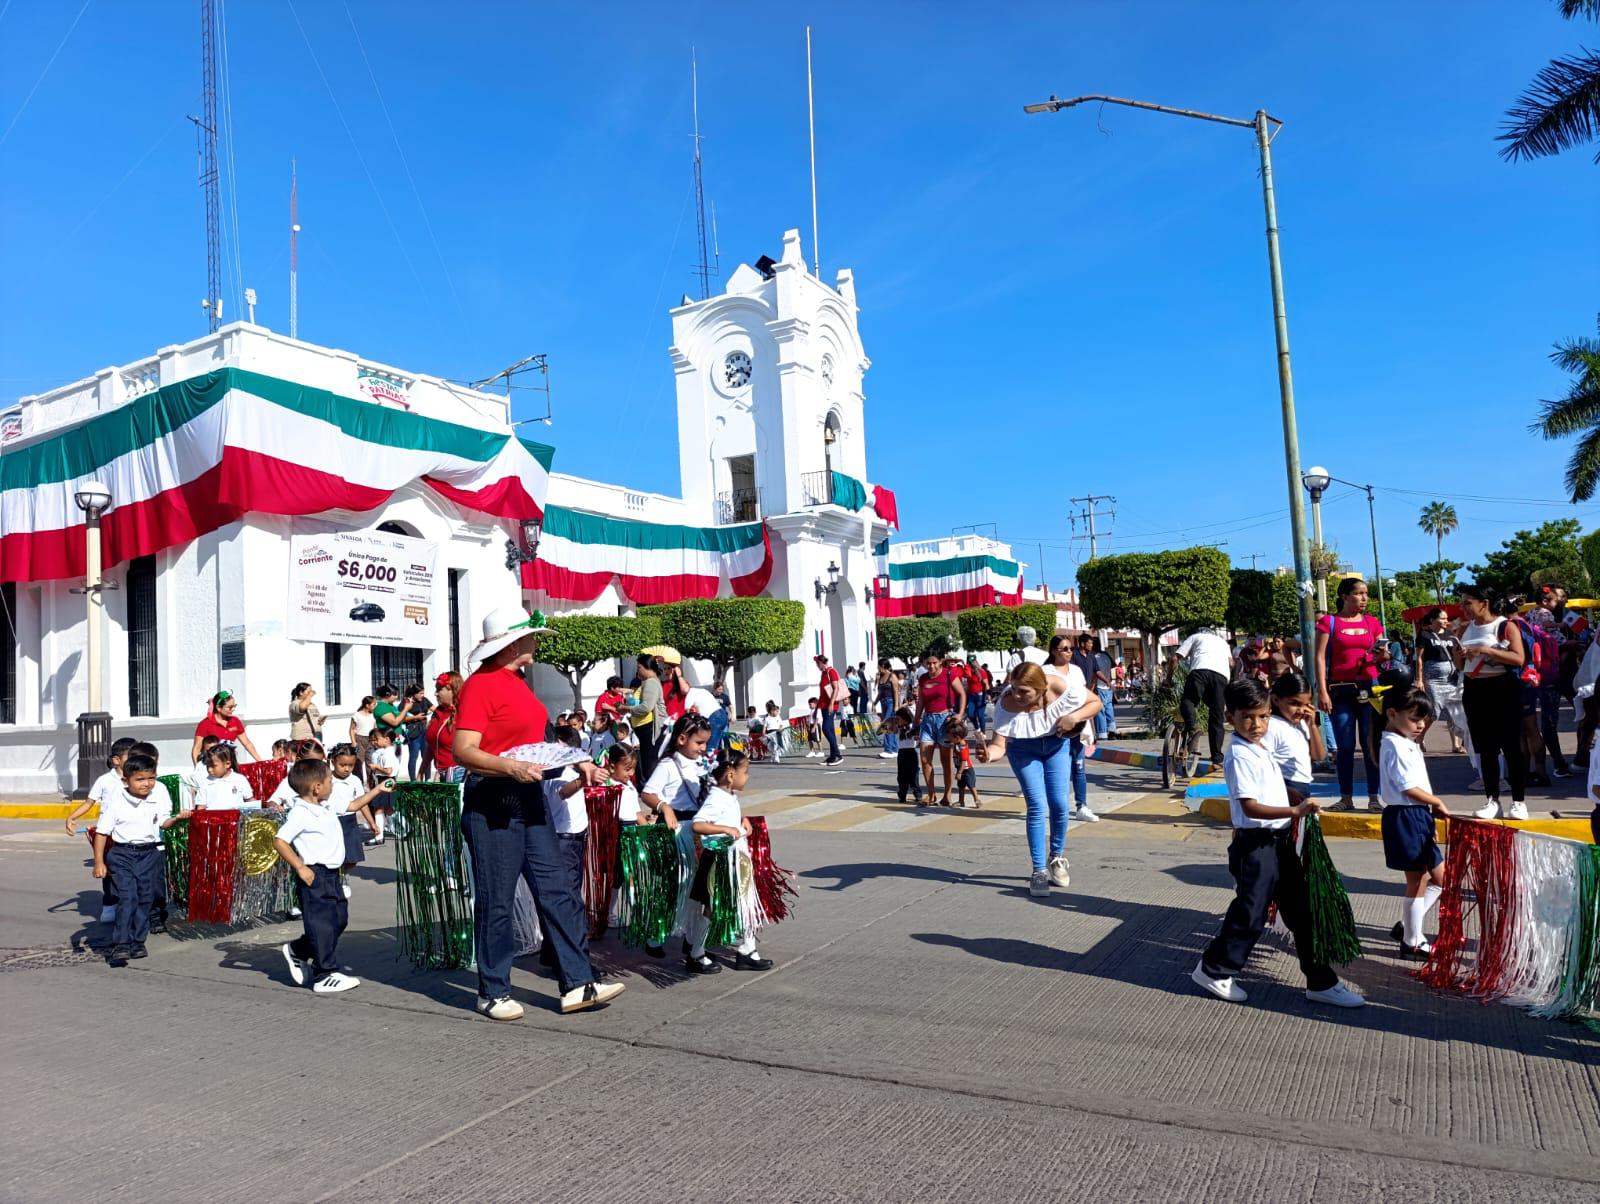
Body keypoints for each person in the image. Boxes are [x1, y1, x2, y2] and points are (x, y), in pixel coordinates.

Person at [453, 606, 621, 1020]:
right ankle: (493, 990)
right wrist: (508, 767)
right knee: (497, 898)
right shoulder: (481, 686)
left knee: (558, 888)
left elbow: (542, 743)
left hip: (530, 797)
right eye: (531, 636)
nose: (537, 642)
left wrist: (578, 760)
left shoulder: (519, 684)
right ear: (511, 644)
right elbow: (464, 750)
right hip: (493, 799)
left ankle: (578, 983)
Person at [1190, 678, 1365, 1008]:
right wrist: (1294, 809)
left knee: (1301, 911)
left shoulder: (1260, 746)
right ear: (1230, 718)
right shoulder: (1239, 754)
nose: (1256, 725)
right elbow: (1249, 806)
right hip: (1256, 844)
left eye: (1263, 716)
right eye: (1247, 717)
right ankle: (1213, 969)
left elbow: (1272, 784)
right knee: (1251, 912)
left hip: (1280, 839)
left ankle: (1321, 981)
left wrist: (1292, 797)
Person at [979, 663, 1102, 896]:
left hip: (1056, 745)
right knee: (1036, 805)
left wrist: (1072, 717)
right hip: (1023, 750)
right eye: (1014, 688)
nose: (1017, 695)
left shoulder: (1059, 686)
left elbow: (1095, 702)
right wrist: (988, 756)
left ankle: (1057, 857)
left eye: (1023, 691)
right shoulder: (1006, 703)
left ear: (1041, 688)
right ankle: (1038, 871)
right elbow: (998, 745)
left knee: (1060, 804)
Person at [276, 758, 389, 995]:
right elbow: (280, 841)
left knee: (339, 919)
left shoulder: (325, 805)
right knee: (321, 925)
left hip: (331, 875)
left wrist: (378, 789)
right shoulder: (300, 813)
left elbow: (352, 805)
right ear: (317, 787)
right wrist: (300, 867)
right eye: (329, 781)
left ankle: (298, 949)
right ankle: (324, 973)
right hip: (314, 875)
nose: (332, 785)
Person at [92, 753, 192, 968]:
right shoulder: (116, 803)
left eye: (151, 778)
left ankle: (138, 941)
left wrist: (177, 818)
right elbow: (101, 833)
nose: (147, 784)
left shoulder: (155, 799)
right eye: (140, 779)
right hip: (122, 855)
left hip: (149, 854)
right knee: (127, 898)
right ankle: (121, 944)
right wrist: (99, 862)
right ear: (125, 780)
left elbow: (164, 823)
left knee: (145, 898)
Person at [1379, 689, 1450, 959]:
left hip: (1417, 815)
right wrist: (1436, 802)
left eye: (1423, 719)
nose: (1420, 725)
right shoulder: (1394, 745)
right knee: (1417, 879)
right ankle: (1411, 941)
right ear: (1392, 714)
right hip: (1406, 815)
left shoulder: (1405, 741)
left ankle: (1409, 926)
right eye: (1414, 718)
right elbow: (1407, 787)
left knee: (1441, 880)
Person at [686, 752, 774, 972]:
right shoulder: (716, 797)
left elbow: (728, 817)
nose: (748, 777)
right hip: (720, 861)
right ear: (730, 774)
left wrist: (741, 821)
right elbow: (698, 825)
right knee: (711, 908)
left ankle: (747, 950)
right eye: (746, 772)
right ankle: (696, 953)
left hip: (735, 859)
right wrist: (725, 829)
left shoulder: (728, 795)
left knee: (745, 902)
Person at [641, 713, 714, 966]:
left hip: (696, 829)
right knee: (674, 885)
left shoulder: (702, 763)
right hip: (676, 830)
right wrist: (664, 807)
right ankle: (655, 936)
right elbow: (648, 793)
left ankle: (693, 937)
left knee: (697, 885)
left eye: (705, 743)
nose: (703, 748)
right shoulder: (668, 765)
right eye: (699, 743)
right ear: (682, 739)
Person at [1458, 583, 1530, 821]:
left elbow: (1518, 658)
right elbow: (1460, 667)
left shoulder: (1505, 626)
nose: (1464, 608)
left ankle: (1518, 801)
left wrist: (1486, 651)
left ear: (1483, 603)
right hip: (1473, 688)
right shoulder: (1465, 629)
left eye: (1468, 603)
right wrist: (1459, 653)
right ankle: (1492, 799)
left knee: (1511, 746)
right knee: (1485, 748)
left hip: (1502, 688)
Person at [1314, 578, 1385, 811]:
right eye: (1358, 593)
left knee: (1370, 743)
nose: (1364, 598)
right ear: (1345, 596)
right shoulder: (1329, 622)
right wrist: (1322, 691)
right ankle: (1346, 798)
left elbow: (1382, 655)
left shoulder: (1372, 623)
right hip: (1339, 689)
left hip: (1369, 686)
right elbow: (1320, 657)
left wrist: (1380, 655)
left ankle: (1374, 797)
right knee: (1344, 746)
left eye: (1366, 593)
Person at [68, 737, 139, 924]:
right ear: (116, 760)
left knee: (133, 872)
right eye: (131, 755)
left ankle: (132, 906)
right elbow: (89, 802)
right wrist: (72, 817)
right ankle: (109, 904)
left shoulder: (138, 778)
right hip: (109, 835)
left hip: (132, 833)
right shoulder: (105, 781)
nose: (135, 758)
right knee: (109, 871)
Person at [1046, 636, 1100, 823]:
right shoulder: (1046, 672)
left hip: (1078, 726)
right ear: (1054, 651)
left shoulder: (1076, 671)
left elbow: (1087, 699)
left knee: (1079, 766)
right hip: (1055, 729)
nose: (1069, 652)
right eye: (1065, 649)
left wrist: (1090, 726)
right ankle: (1058, 807)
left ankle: (1081, 805)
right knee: (1059, 770)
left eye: (1071, 648)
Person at [1175, 625, 1232, 770]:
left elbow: (1175, 658)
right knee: (1216, 717)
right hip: (1221, 677)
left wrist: (1168, 679)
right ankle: (1217, 759)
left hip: (1199, 672)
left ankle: (1193, 729)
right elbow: (1232, 663)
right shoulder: (1223, 642)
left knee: (1188, 701)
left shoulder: (1195, 637)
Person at [1414, 608, 1469, 757]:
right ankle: (1419, 738)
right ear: (1432, 620)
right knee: (1434, 710)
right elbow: (1419, 658)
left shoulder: (1449, 635)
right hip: (1432, 678)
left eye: (1446, 619)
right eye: (1442, 618)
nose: (1446, 621)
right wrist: (1419, 679)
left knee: (1454, 709)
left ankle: (1456, 744)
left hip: (1451, 678)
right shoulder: (1424, 635)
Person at [913, 652, 966, 805]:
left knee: (945, 760)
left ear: (940, 662)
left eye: (934, 662)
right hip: (928, 720)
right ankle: (931, 794)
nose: (931, 666)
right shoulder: (923, 678)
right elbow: (921, 701)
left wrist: (960, 714)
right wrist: (916, 721)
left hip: (945, 719)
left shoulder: (949, 674)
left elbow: (962, 693)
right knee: (924, 759)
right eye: (928, 663)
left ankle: (947, 794)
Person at [1263, 671, 1325, 803]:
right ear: (1276, 700)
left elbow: (1318, 756)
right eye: (1294, 703)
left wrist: (1312, 726)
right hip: (1284, 786)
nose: (1301, 710)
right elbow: (1263, 764)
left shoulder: (1302, 724)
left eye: (1306, 704)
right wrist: (1284, 789)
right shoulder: (1272, 726)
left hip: (1302, 784)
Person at [190, 690, 262, 764]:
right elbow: (196, 748)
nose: (233, 709)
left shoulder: (235, 721)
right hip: (212, 766)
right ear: (218, 708)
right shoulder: (205, 724)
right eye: (230, 707)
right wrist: (197, 768)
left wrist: (260, 761)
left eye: (235, 706)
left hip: (229, 764)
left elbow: (247, 743)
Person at [628, 655, 667, 786]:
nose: (637, 671)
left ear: (647, 668)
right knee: (648, 763)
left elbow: (646, 707)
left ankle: (655, 798)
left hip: (649, 728)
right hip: (643, 729)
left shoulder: (651, 682)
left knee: (650, 765)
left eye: (639, 667)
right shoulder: (648, 682)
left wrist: (627, 709)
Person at [363, 729, 401, 846]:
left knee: (378, 808)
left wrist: (376, 767)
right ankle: (406, 828)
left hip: (386, 781)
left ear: (387, 739)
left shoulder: (388, 753)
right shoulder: (385, 752)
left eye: (376, 740)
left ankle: (379, 836)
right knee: (388, 809)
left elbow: (388, 771)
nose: (374, 743)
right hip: (385, 781)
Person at [191, 744, 253, 809]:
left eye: (213, 766)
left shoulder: (240, 780)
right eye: (208, 765)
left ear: (227, 764)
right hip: (213, 818)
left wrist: (262, 807)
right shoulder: (205, 782)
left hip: (236, 818)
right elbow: (201, 807)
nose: (209, 769)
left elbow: (249, 800)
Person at [427, 672, 463, 783]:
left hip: (459, 774)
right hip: (441, 773)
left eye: (439, 690)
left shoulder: (464, 713)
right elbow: (431, 747)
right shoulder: (437, 713)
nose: (435, 694)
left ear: (451, 690)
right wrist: (421, 771)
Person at [883, 708, 921, 804]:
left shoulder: (912, 727)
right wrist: (892, 721)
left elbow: (917, 735)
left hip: (911, 753)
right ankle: (902, 795)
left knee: (913, 775)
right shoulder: (897, 728)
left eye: (898, 719)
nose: (897, 721)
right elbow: (883, 729)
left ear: (905, 719)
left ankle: (918, 794)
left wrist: (916, 735)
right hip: (902, 753)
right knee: (902, 776)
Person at [814, 654, 846, 766]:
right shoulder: (823, 673)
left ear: (822, 663)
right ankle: (833, 756)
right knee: (830, 730)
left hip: (830, 705)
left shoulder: (830, 671)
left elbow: (836, 688)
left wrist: (831, 703)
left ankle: (837, 754)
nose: (817, 665)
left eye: (817, 663)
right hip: (823, 704)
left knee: (826, 729)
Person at [945, 718, 982, 808]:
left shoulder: (963, 747)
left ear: (957, 737)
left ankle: (977, 799)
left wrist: (959, 772)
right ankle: (961, 801)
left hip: (967, 769)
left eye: (950, 737)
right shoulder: (957, 744)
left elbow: (964, 761)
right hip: (960, 768)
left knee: (971, 785)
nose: (949, 738)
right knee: (961, 786)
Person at [401, 684, 433, 780]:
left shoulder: (425, 700)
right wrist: (415, 717)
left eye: (423, 693)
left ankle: (427, 779)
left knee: (426, 757)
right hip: (414, 734)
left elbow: (435, 710)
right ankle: (413, 781)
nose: (422, 695)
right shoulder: (406, 702)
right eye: (420, 693)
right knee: (413, 757)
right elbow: (400, 718)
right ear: (414, 694)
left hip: (425, 733)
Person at [1088, 638, 1116, 738]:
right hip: (1108, 686)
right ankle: (1112, 730)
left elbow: (1095, 673)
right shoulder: (1106, 656)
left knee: (1100, 710)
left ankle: (1102, 733)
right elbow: (1113, 665)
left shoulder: (1093, 657)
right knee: (1109, 708)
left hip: (1099, 686)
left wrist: (1092, 687)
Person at [349, 695, 377, 781]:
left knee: (370, 764)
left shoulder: (373, 715)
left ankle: (371, 785)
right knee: (358, 764)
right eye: (373, 704)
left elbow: (375, 728)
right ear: (367, 705)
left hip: (370, 740)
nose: (375, 706)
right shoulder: (357, 715)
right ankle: (359, 785)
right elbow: (352, 729)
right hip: (359, 740)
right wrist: (354, 742)